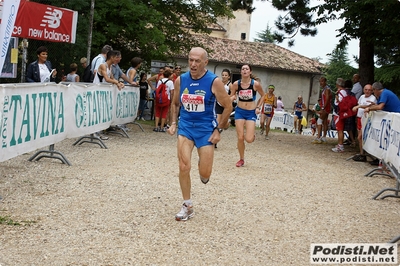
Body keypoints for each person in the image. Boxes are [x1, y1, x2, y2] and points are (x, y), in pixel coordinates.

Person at [167, 47, 232, 221]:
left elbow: (228, 106)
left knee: (205, 175)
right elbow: (175, 104)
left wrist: (219, 129)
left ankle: (202, 162)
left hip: (205, 130)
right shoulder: (181, 80)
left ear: (205, 62)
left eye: (197, 61)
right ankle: (187, 205)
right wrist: (173, 123)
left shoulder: (214, 81)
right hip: (186, 127)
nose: (193, 64)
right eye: (190, 60)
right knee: (183, 166)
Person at [230, 64, 264, 167]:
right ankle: (241, 159)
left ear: (250, 72)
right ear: (241, 72)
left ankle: (252, 135)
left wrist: (258, 107)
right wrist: (233, 97)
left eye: (247, 69)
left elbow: (263, 95)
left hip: (250, 112)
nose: (244, 70)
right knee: (240, 138)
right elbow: (232, 95)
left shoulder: (255, 84)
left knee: (248, 139)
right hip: (240, 111)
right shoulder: (236, 84)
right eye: (243, 69)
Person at [351, 84, 377, 162]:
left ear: (372, 91)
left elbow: (368, 106)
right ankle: (361, 153)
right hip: (359, 118)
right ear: (363, 90)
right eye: (366, 89)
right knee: (360, 138)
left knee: (360, 137)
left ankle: (367, 154)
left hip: (366, 119)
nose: (367, 91)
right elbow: (360, 104)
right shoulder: (362, 97)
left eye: (369, 90)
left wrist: (358, 107)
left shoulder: (373, 98)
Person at [214, 69, 234, 147]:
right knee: (217, 123)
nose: (224, 76)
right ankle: (215, 141)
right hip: (218, 104)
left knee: (224, 125)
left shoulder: (230, 85)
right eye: (223, 75)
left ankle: (227, 123)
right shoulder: (219, 84)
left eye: (226, 75)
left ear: (229, 77)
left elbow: (233, 95)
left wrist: (229, 98)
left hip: (226, 106)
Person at [332, 78, 347, 152]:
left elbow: (340, 102)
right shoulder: (343, 91)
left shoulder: (341, 92)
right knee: (339, 130)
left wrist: (337, 98)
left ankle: (340, 146)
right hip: (340, 113)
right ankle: (339, 144)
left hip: (339, 113)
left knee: (339, 130)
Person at [318, 77, 333, 143]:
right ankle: (324, 137)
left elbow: (327, 99)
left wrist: (323, 107)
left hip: (325, 107)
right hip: (326, 107)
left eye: (322, 81)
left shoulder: (326, 89)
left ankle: (318, 137)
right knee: (324, 121)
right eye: (320, 81)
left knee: (319, 121)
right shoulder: (325, 89)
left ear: (325, 82)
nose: (321, 83)